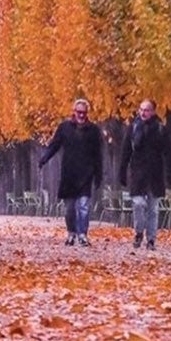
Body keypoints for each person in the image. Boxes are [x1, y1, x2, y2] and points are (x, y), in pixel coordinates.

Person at [38, 98, 103, 247]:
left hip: (86, 174)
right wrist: (44, 159)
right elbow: (54, 145)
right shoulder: (64, 128)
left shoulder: (93, 130)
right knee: (69, 209)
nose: (81, 115)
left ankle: (82, 235)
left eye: (84, 112)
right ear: (74, 112)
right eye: (79, 112)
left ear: (87, 113)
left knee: (84, 206)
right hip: (69, 174)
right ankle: (71, 233)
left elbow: (98, 154)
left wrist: (98, 175)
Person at [119, 99, 171, 251]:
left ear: (153, 112)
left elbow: (169, 154)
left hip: (155, 174)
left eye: (147, 110)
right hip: (137, 173)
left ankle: (151, 239)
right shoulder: (133, 128)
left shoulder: (160, 129)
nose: (143, 113)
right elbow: (126, 151)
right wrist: (122, 172)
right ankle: (139, 232)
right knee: (138, 203)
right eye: (141, 109)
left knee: (153, 209)